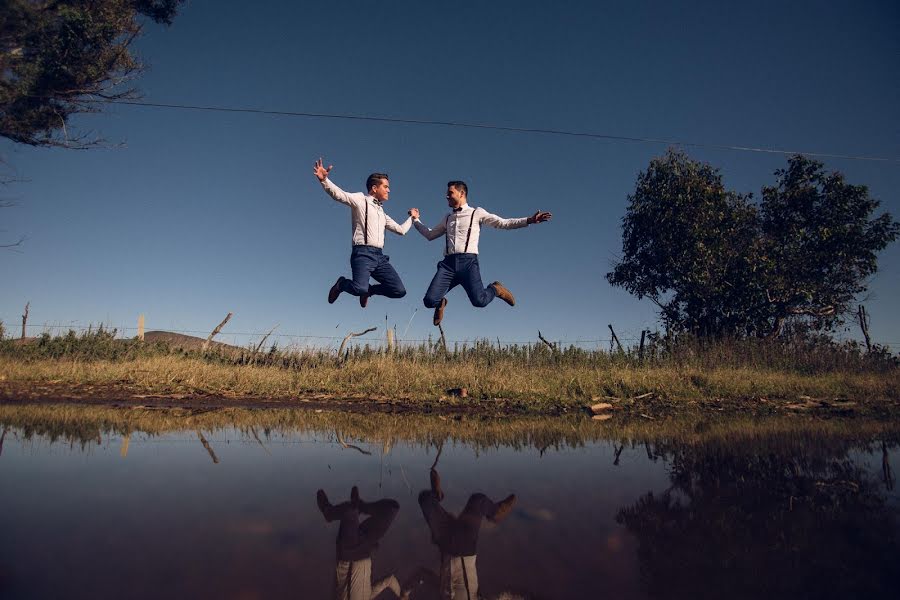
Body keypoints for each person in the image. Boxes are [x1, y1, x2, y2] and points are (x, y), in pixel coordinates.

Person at [409, 181, 551, 325]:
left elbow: (503, 223)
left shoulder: (477, 213)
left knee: (479, 301)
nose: (447, 196)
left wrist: (530, 220)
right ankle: (441, 303)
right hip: (448, 265)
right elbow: (430, 234)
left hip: (468, 263)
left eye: (450, 193)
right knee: (429, 300)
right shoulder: (447, 218)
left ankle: (496, 289)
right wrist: (415, 220)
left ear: (462, 193)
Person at [314, 158, 413, 308]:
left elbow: (401, 230)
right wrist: (324, 180)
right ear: (374, 188)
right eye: (386, 187)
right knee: (359, 288)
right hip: (363, 254)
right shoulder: (361, 200)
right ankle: (341, 284)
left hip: (380, 257)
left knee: (399, 290)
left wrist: (412, 218)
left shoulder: (382, 213)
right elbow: (339, 195)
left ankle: (370, 291)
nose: (389, 190)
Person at [409, 468, 517, 600]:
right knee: (478, 500)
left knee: (425, 499)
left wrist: (404, 592)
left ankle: (436, 494)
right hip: (465, 549)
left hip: (446, 546)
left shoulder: (441, 592)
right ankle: (496, 512)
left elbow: (423, 574)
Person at [317, 486, 403, 600]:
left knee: (348, 511)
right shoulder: (369, 596)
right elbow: (390, 580)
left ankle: (329, 512)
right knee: (391, 507)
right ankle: (360, 505)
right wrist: (402, 595)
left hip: (348, 553)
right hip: (366, 548)